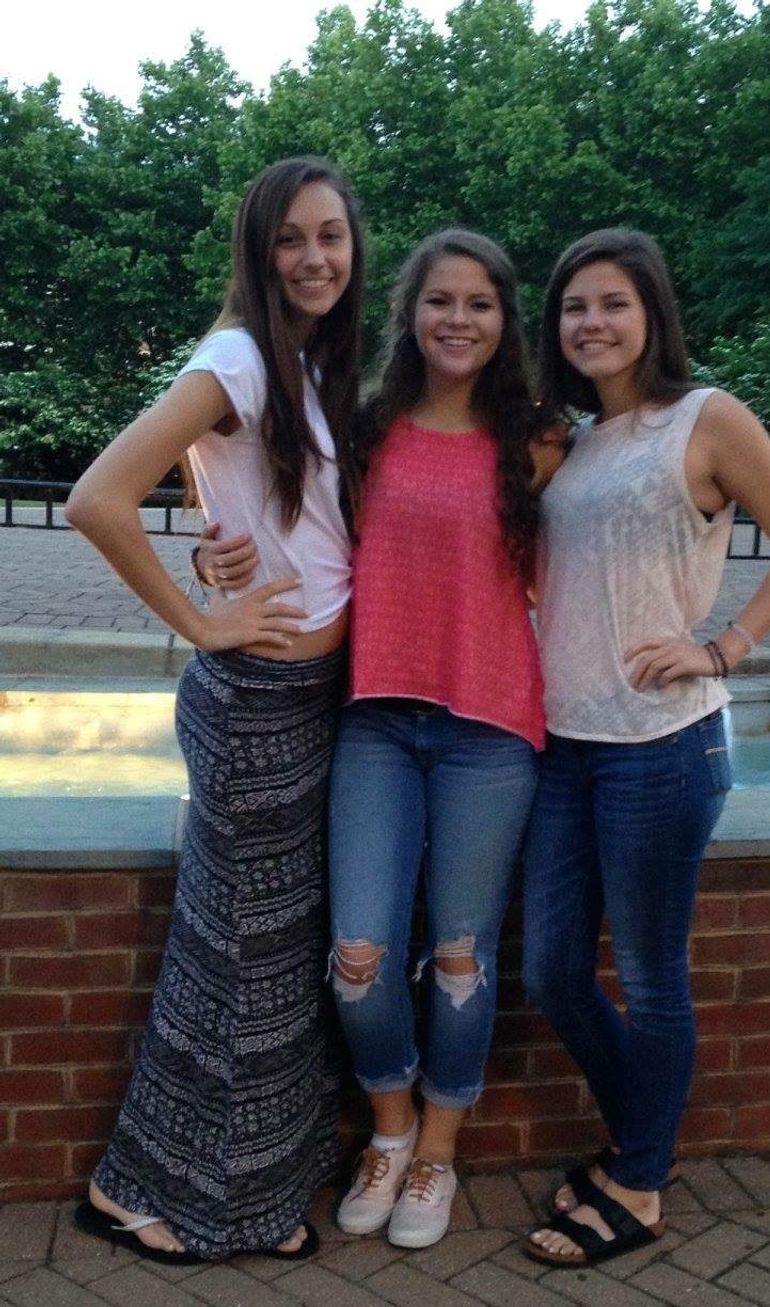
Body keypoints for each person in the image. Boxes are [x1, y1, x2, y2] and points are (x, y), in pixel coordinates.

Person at [198, 228, 562, 1249]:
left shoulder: (540, 439)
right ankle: (389, 1130)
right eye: (439, 300)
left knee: (458, 955)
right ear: (409, 314)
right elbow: (269, 509)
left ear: (504, 320)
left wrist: (711, 639)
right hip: (374, 722)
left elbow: (608, 544)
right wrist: (216, 557)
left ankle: (438, 1152)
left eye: (479, 303)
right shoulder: (365, 426)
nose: (458, 319)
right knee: (357, 953)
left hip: (491, 729)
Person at [64, 156, 364, 1263]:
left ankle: (252, 1189)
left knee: (269, 957)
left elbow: (244, 501)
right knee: (236, 959)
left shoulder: (304, 362)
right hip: (257, 703)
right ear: (258, 248)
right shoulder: (238, 356)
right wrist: (201, 619)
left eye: (331, 235)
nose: (314, 257)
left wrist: (219, 547)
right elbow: (98, 497)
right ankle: (134, 1187)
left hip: (308, 696)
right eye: (291, 237)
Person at [521, 228, 770, 1267]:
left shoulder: (705, 418)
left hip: (660, 744)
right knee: (552, 970)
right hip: (563, 742)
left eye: (613, 302)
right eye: (574, 306)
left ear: (651, 312)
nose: (591, 322)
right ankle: (641, 1143)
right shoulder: (572, 439)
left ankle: (640, 1181)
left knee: (651, 976)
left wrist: (723, 646)